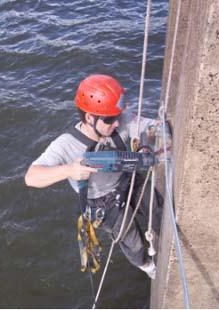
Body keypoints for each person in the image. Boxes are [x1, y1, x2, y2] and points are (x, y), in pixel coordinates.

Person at [25, 74, 163, 279]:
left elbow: (150, 127)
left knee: (156, 207)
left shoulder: (120, 121)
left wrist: (146, 142)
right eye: (109, 119)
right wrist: (69, 170)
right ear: (90, 117)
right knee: (132, 241)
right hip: (104, 203)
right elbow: (31, 177)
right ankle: (147, 265)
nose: (116, 123)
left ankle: (166, 234)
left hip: (128, 180)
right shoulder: (66, 144)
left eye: (117, 116)